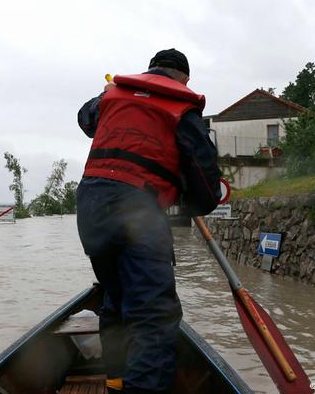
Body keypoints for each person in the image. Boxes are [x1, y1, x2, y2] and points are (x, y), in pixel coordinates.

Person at [76, 49, 221, 394]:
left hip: (90, 204)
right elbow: (206, 188)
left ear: (150, 69)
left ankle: (115, 383)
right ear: (184, 78)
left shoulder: (113, 94)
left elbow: (85, 119)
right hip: (137, 210)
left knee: (116, 299)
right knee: (153, 320)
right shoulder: (182, 107)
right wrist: (189, 199)